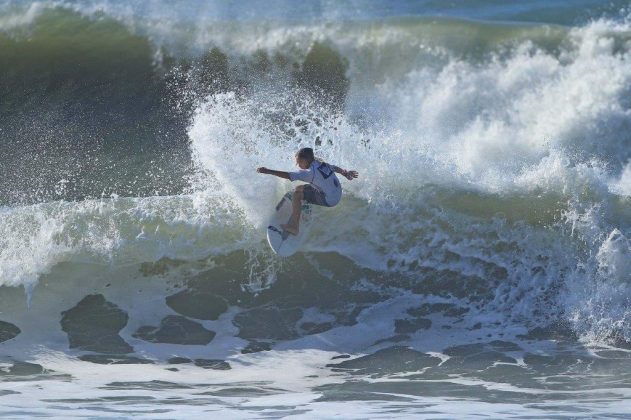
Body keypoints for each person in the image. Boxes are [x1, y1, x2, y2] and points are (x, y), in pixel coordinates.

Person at [257, 147, 358, 235]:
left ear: (305, 161)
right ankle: (304, 202)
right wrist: (345, 173)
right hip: (337, 192)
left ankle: (295, 227)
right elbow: (334, 168)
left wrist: (268, 171)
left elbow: (288, 175)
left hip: (330, 200)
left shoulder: (309, 173)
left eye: (298, 162)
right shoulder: (320, 163)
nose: (297, 164)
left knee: (296, 195)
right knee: (299, 188)